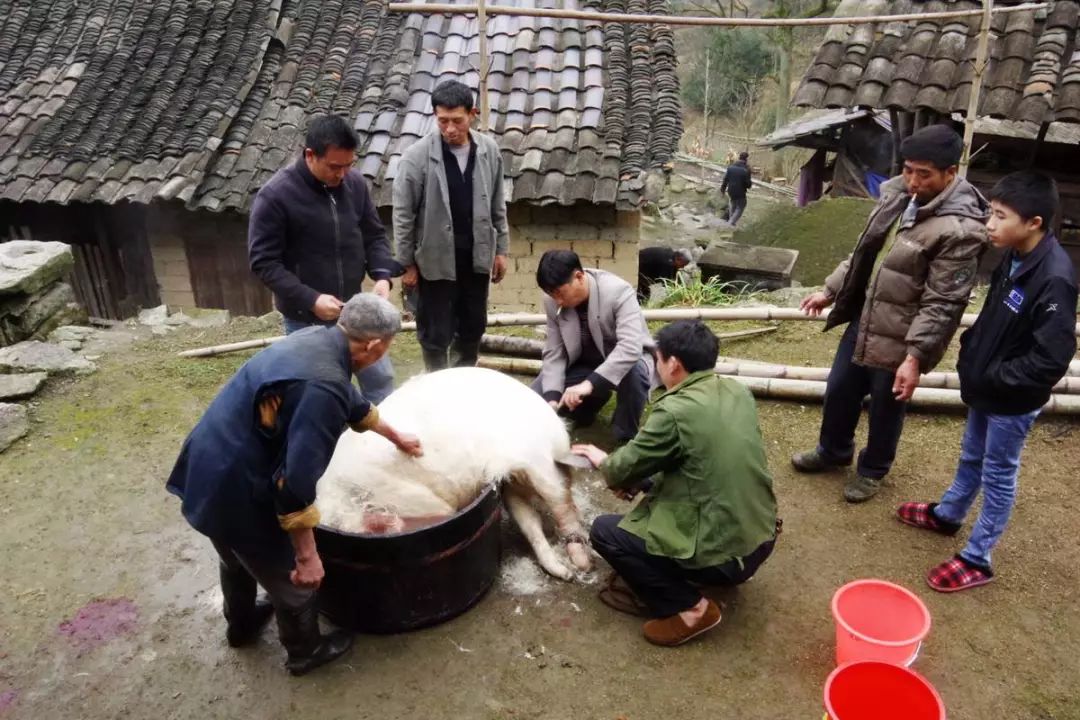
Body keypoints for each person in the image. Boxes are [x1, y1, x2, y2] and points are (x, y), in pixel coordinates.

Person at [166, 294, 422, 675]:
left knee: (233, 555)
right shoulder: (323, 389)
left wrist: (395, 436)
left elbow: (353, 401)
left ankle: (241, 624)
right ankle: (305, 651)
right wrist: (306, 555)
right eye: (387, 349)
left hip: (209, 462)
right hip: (240, 485)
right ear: (373, 345)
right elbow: (295, 484)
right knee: (294, 579)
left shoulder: (318, 341)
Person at [897, 171, 1077, 592]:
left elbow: (1051, 359)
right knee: (972, 455)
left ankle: (978, 558)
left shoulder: (1054, 278)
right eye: (989, 214)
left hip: (1011, 399)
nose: (989, 225)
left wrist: (996, 377)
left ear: (1034, 222)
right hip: (987, 387)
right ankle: (949, 514)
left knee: (998, 472)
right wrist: (972, 350)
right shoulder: (1013, 256)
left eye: (999, 216)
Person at [792, 124, 989, 503]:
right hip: (866, 318)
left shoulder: (961, 231)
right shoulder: (897, 196)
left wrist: (916, 356)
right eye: (908, 169)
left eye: (924, 174)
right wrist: (830, 290)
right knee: (840, 390)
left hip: (904, 333)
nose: (913, 180)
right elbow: (865, 253)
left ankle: (873, 470)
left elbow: (944, 302)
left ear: (951, 173)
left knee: (887, 405)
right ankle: (833, 451)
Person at [573, 321, 779, 646]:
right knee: (669, 491)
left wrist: (604, 462)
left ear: (673, 364)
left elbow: (621, 467)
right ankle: (722, 570)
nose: (657, 367)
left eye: (657, 359)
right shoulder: (736, 391)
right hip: (761, 539)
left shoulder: (674, 411)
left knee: (606, 532)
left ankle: (691, 609)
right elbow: (697, 462)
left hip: (724, 559)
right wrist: (639, 480)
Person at [248, 114, 399, 404]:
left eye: (348, 165)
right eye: (334, 166)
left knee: (380, 380)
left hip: (355, 311)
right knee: (321, 392)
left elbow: (374, 236)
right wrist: (311, 299)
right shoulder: (276, 196)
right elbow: (264, 263)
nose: (342, 174)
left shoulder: (354, 185)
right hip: (306, 319)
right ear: (310, 155)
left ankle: (384, 442)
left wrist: (382, 276)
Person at [393, 80, 509, 371]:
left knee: (472, 325)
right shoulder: (416, 158)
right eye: (442, 121)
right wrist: (406, 264)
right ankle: (435, 381)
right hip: (434, 259)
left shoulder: (488, 151)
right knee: (435, 331)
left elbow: (498, 205)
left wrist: (501, 250)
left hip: (475, 256)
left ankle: (464, 376)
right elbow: (403, 215)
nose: (450, 129)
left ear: (472, 114)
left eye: (457, 120)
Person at [532, 249, 653, 444]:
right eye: (551, 295)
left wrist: (589, 384)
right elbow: (554, 352)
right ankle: (588, 408)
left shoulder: (618, 292)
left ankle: (623, 436)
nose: (558, 301)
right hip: (583, 363)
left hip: (624, 362)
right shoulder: (552, 301)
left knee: (635, 373)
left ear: (579, 277)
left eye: (560, 294)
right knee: (538, 396)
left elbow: (630, 347)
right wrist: (552, 398)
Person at [721, 151, 753, 226]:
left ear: (739, 158)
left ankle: (731, 222)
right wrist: (749, 183)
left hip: (731, 191)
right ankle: (731, 223)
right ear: (746, 159)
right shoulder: (746, 170)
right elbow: (748, 184)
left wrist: (722, 189)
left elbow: (725, 179)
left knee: (733, 204)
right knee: (741, 206)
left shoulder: (730, 168)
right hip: (740, 192)